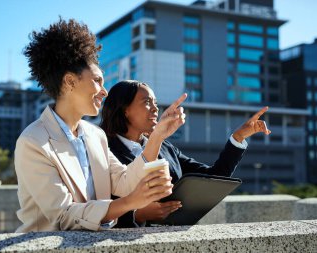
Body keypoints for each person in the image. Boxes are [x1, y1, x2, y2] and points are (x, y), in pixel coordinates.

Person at [14, 19, 188, 232]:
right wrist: (132, 202)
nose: (104, 91)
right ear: (70, 81)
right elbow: (63, 215)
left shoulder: (95, 135)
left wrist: (157, 136)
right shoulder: (33, 142)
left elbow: (124, 182)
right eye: (97, 81)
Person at [100, 80, 271, 227]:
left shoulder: (165, 147)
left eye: (156, 103)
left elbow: (214, 176)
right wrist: (137, 214)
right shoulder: (103, 149)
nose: (155, 109)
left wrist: (238, 136)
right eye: (146, 102)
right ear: (124, 110)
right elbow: (92, 207)